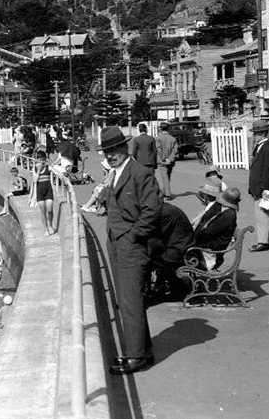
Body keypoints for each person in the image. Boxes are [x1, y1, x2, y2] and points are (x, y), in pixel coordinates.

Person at [97, 126, 161, 375]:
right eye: (107, 151)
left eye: (114, 149)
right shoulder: (116, 173)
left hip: (131, 246)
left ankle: (135, 356)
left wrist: (133, 236)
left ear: (125, 147)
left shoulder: (140, 173)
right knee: (127, 300)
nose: (110, 155)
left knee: (130, 301)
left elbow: (152, 211)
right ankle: (143, 350)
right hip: (117, 243)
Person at [146, 203, 194, 301]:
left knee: (146, 259)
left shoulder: (164, 213)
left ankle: (161, 289)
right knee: (151, 255)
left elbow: (156, 236)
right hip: (181, 246)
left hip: (180, 251)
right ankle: (165, 286)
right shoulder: (165, 209)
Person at [248, 120, 269, 253]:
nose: (253, 137)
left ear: (260, 134)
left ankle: (264, 242)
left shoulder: (268, 148)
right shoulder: (261, 147)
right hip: (260, 188)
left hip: (264, 189)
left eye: (255, 134)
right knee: (261, 213)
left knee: (262, 214)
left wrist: (262, 188)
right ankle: (266, 239)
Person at [194, 187, 241, 270]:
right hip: (209, 249)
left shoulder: (228, 216)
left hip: (209, 255)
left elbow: (207, 233)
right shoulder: (226, 212)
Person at [29, 150, 55, 236]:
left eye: (43, 159)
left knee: (50, 209)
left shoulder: (48, 167)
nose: (42, 161)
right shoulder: (34, 168)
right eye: (40, 159)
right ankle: (45, 228)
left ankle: (50, 224)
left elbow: (56, 171)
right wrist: (39, 170)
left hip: (48, 190)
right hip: (40, 191)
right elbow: (35, 180)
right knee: (43, 211)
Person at [155, 123, 178, 200]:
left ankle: (167, 194)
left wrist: (164, 158)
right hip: (171, 161)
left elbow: (159, 149)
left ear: (161, 129)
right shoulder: (173, 138)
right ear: (168, 129)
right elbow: (175, 150)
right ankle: (165, 192)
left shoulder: (158, 138)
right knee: (168, 176)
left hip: (162, 161)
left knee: (165, 177)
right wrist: (170, 158)